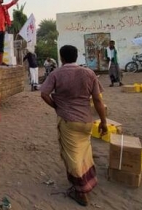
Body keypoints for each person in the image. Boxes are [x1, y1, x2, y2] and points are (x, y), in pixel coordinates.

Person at [39, 45, 107, 207]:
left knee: (73, 156)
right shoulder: (89, 73)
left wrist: (56, 106)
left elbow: (43, 93)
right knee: (85, 152)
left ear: (61, 58)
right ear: (76, 56)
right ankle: (89, 181)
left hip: (69, 121)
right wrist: (104, 122)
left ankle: (80, 192)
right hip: (86, 120)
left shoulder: (56, 74)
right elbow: (98, 100)